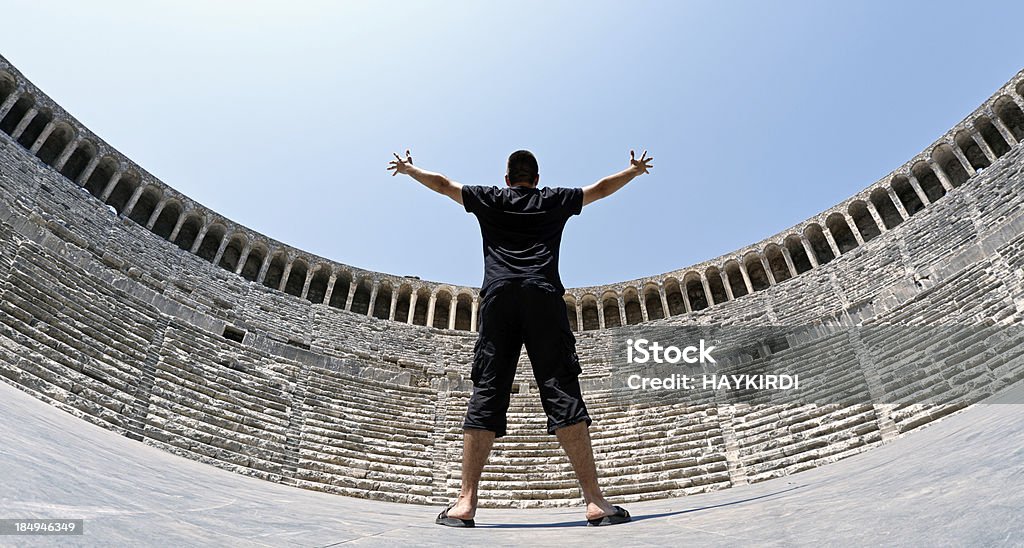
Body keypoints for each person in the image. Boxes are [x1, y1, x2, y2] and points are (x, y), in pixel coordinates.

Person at [387, 148, 654, 527]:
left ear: (507, 179)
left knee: (489, 390)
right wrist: (633, 171)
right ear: (537, 179)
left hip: (499, 297)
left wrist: (409, 168)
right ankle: (595, 501)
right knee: (561, 388)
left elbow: (444, 185)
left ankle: (465, 503)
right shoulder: (555, 199)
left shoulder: (489, 198)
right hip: (543, 295)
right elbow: (601, 189)